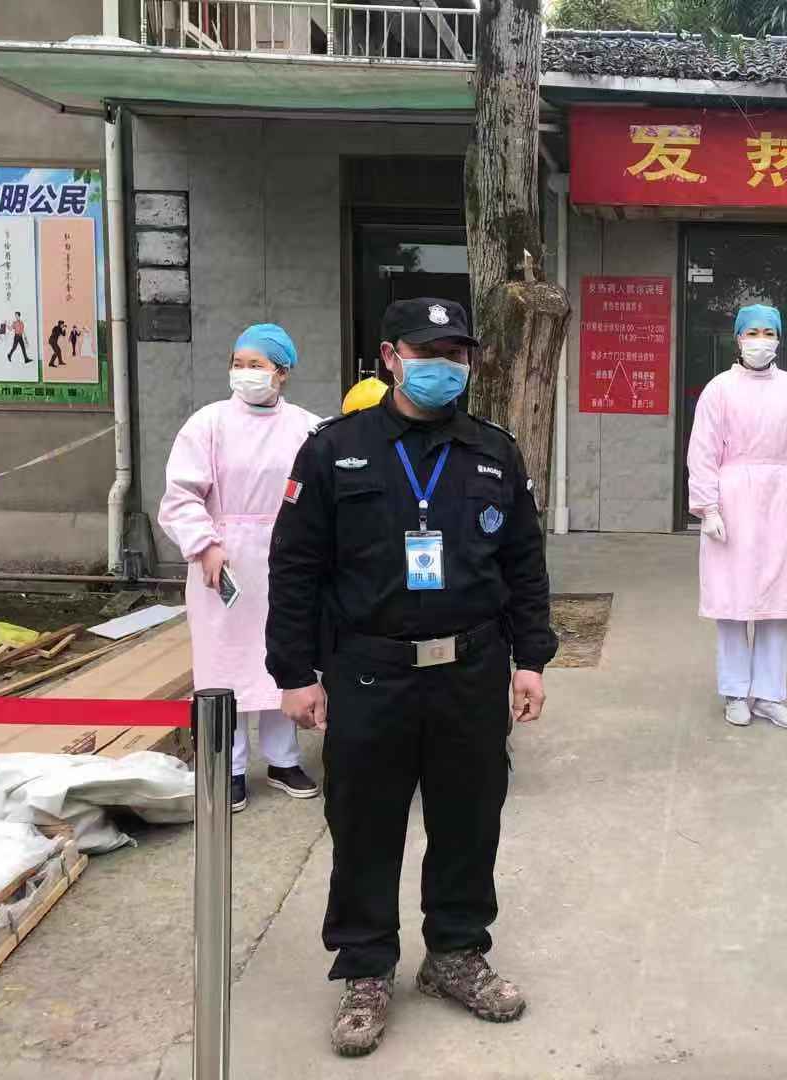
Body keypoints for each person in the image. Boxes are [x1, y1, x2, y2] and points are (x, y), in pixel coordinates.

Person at [266, 298, 557, 1058]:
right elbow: (295, 567)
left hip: (471, 670)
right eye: (428, 352)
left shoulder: (494, 452)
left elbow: (525, 564)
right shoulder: (335, 450)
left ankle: (455, 953)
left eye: (457, 354)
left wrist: (530, 658)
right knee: (365, 822)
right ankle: (366, 967)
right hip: (370, 670)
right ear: (391, 357)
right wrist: (294, 672)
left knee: (469, 818)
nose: (444, 367)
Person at [159, 323, 321, 813]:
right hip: (224, 562)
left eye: (257, 364)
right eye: (238, 363)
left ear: (282, 372)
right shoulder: (207, 424)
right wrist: (204, 545)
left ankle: (283, 758)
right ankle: (227, 766)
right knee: (224, 663)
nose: (244, 372)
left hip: (288, 558)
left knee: (283, 654)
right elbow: (180, 495)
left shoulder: (308, 428)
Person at [687, 303, 787, 731]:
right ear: (738, 338)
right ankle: (735, 692)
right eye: (753, 332)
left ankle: (769, 694)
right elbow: (702, 452)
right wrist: (708, 507)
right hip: (733, 498)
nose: (761, 341)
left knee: (777, 601)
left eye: (769, 332)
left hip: (780, 499)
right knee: (733, 599)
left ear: (779, 338)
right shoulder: (719, 389)